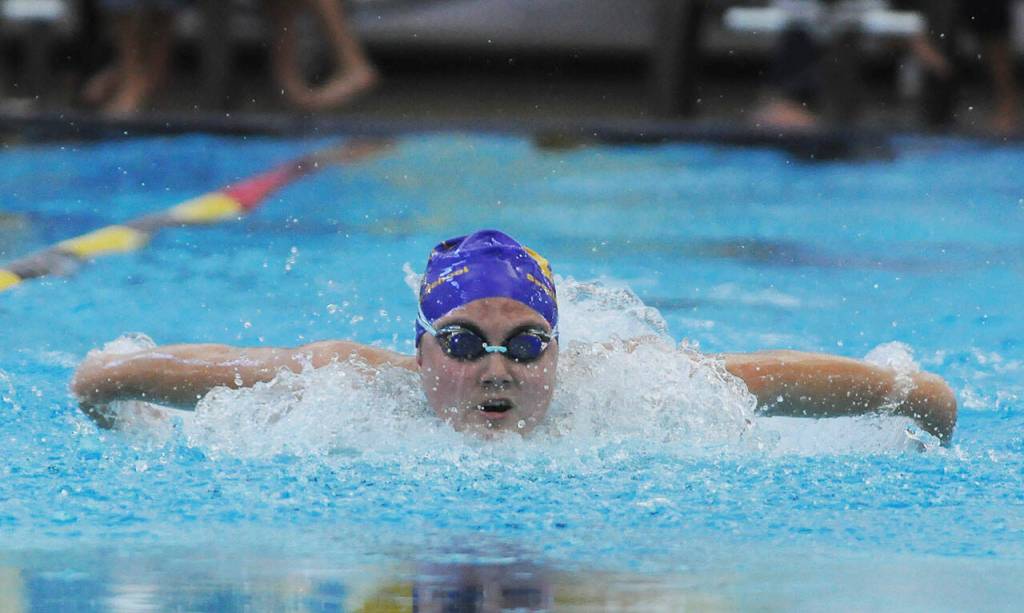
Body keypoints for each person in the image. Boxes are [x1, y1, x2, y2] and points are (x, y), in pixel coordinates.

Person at [71, 230, 958, 443]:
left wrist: (909, 393)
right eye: (464, 344)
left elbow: (763, 378)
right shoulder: (350, 387)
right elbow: (190, 369)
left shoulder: (627, 386)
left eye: (528, 344)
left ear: (558, 352)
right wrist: (110, 384)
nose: (497, 368)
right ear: (420, 350)